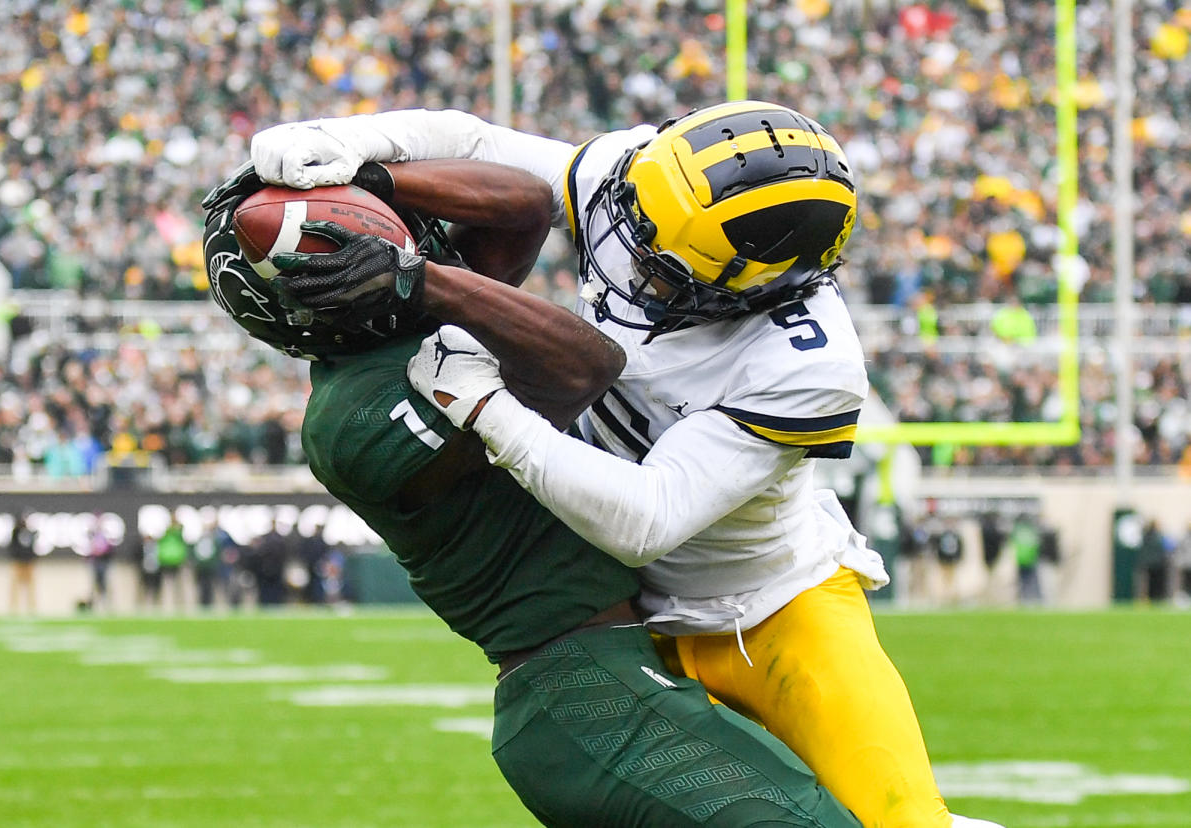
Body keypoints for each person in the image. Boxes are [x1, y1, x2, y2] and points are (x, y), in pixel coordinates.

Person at [248, 102, 1002, 828]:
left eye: (665, 268)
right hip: (632, 625)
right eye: (635, 230)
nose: (631, 266)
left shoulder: (807, 361)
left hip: (773, 612)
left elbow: (648, 518)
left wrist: (490, 409)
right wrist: (349, 145)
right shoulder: (642, 189)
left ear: (757, 283)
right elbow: (473, 145)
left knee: (905, 822)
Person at [8, 511, 38, 615]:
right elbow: (12, 547)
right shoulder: (16, 532)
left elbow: (33, 547)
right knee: (15, 585)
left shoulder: (30, 532)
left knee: (30, 586)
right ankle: (14, 607)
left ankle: (31, 607)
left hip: (28, 562)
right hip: (18, 562)